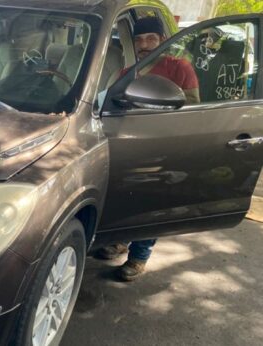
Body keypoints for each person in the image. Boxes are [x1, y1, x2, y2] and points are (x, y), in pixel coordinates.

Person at [98, 16, 200, 281]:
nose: (144, 44)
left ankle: (138, 257)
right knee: (125, 197)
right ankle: (120, 241)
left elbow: (192, 105)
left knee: (149, 202)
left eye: (151, 39)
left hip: (164, 146)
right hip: (130, 145)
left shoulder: (179, 68)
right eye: (139, 40)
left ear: (163, 41)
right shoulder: (128, 72)